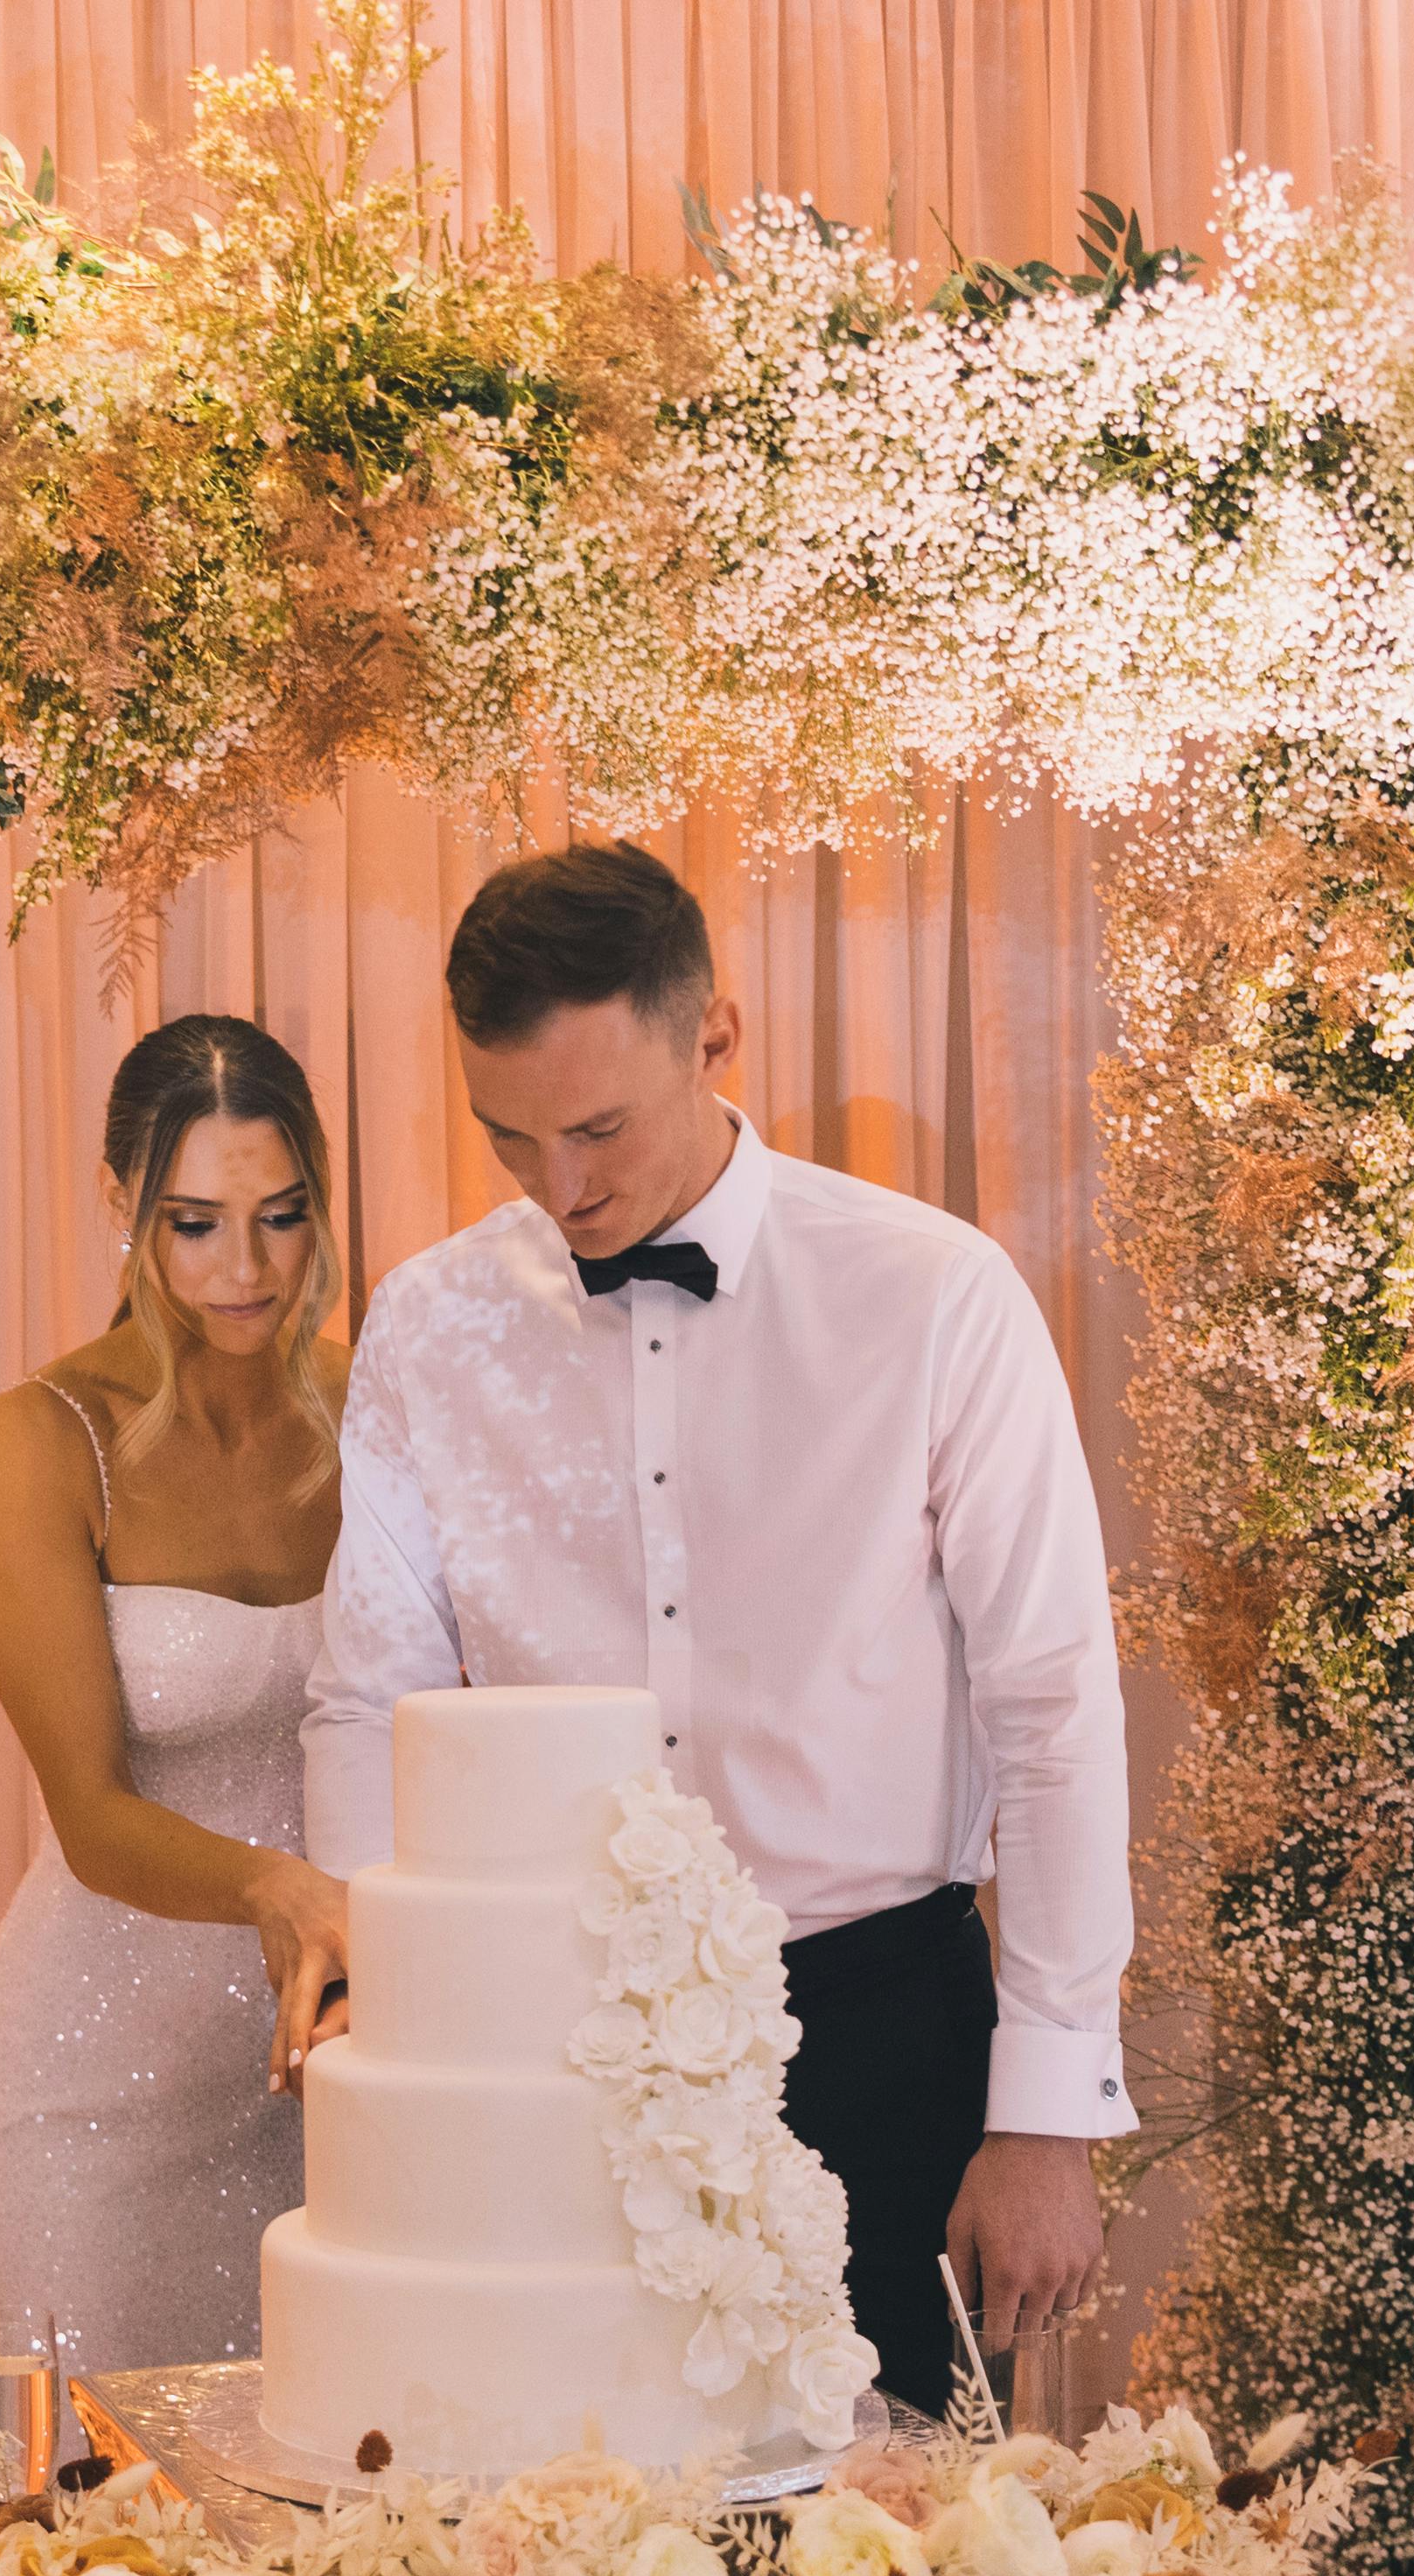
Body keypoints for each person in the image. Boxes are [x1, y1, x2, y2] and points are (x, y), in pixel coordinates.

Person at [301, 842, 1131, 2418]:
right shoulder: (426, 1323)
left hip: (883, 2028)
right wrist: (387, 2000)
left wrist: (1046, 2115)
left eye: (599, 1128)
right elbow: (368, 1700)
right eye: (510, 1138)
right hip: (546, 2048)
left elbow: (1051, 1711)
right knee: (558, 2572)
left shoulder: (934, 1297)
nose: (562, 1189)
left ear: (714, 1037)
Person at [0, 1013, 360, 2381]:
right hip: (90, 2098)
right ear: (121, 1202)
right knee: (88, 2551)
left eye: (280, 1216)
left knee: (338, 2563)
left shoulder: (375, 1409)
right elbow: (89, 1813)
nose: (243, 1270)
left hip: (333, 2079)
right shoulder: (39, 1440)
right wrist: (278, 1888)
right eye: (193, 1223)